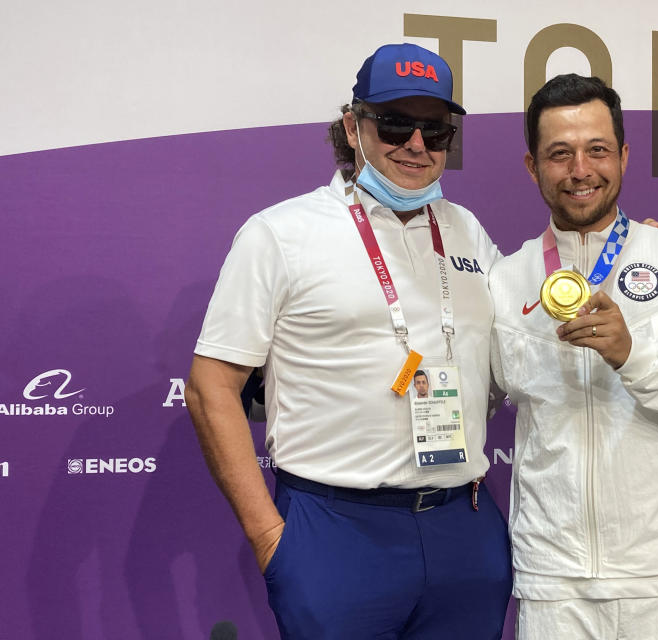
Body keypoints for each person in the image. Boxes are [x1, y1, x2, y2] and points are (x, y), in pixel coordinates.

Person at [185, 43, 511, 639]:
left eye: (435, 130)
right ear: (352, 126)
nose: (416, 144)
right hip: (334, 530)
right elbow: (212, 387)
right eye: (394, 122)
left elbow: (533, 327)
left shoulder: (467, 230)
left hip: (463, 526)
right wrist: (269, 538)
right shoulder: (279, 234)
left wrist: (650, 263)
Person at [488, 74, 658, 639]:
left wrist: (635, 355)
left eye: (597, 150)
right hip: (554, 584)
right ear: (531, 166)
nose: (580, 170)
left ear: (624, 155)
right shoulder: (503, 278)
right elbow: (474, 403)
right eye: (559, 154)